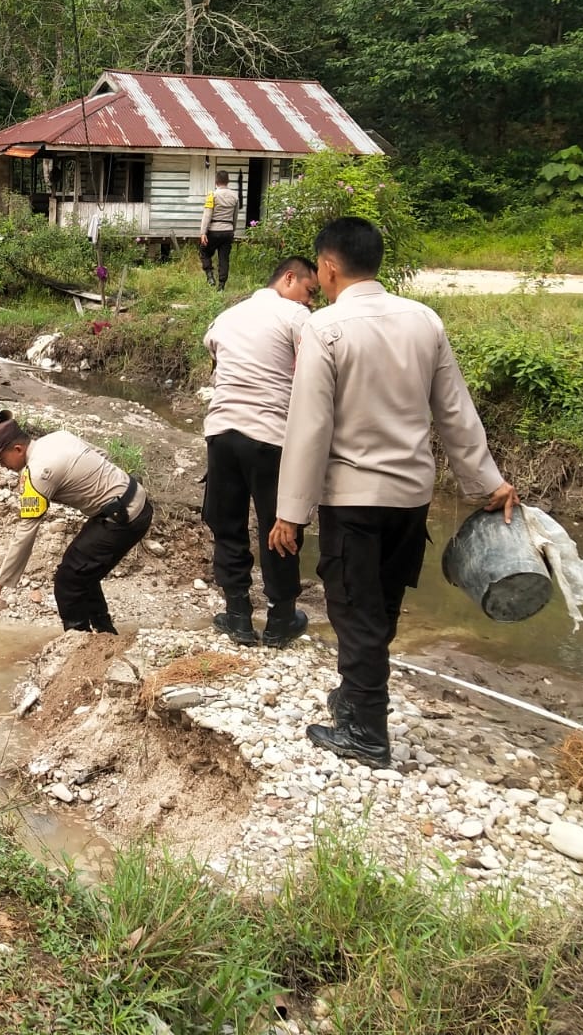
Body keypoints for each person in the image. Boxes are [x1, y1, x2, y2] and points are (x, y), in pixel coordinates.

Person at [268, 218, 518, 768]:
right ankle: (354, 699)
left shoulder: (325, 329)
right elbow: (454, 410)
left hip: (353, 497)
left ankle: (366, 734)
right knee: (381, 605)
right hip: (411, 497)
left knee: (355, 611)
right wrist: (487, 483)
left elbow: (310, 426)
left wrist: (290, 513)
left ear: (328, 267)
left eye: (321, 274)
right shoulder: (423, 321)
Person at [202, 256, 319, 648]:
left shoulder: (227, 316)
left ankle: (236, 615)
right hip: (270, 437)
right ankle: (280, 619)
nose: (310, 302)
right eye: (309, 291)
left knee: (227, 524)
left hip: (221, 434)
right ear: (289, 279)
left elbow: (215, 361)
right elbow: (313, 371)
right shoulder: (295, 317)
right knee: (279, 526)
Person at [0, 415, 152, 635]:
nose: (2, 466)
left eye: (2, 459)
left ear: (19, 449)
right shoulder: (58, 438)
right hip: (135, 498)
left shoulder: (38, 474)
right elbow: (102, 455)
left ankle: (78, 644)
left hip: (123, 518)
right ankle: (105, 633)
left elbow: (25, 535)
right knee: (81, 570)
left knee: (67, 581)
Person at [198, 171, 239, 288]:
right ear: (228, 181)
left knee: (204, 252)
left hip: (214, 231)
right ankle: (221, 285)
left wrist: (203, 233)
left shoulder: (212, 195)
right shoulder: (235, 196)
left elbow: (207, 215)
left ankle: (210, 276)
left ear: (216, 182)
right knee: (224, 258)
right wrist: (232, 230)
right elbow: (235, 216)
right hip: (228, 230)